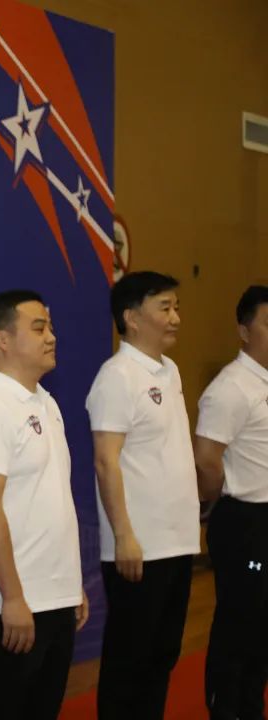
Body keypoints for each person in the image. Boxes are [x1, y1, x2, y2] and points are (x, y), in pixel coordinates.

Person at [0, 289, 88, 720]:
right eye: (39, 327)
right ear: (2, 339)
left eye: (51, 327)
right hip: (7, 603)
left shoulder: (44, 402)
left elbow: (49, 501)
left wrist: (70, 585)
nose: (52, 337)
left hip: (52, 597)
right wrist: (12, 597)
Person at [86, 271, 199, 719]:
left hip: (176, 540)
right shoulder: (117, 377)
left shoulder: (168, 371)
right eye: (165, 308)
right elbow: (105, 461)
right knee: (129, 658)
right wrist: (124, 536)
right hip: (139, 546)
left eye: (176, 308)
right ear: (132, 318)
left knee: (162, 654)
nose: (176, 318)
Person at [194, 285, 268, 720]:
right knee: (239, 624)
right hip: (243, 521)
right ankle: (225, 709)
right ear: (244, 331)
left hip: (264, 518)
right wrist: (221, 499)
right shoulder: (231, 388)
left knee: (262, 629)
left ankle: (251, 708)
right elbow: (206, 458)